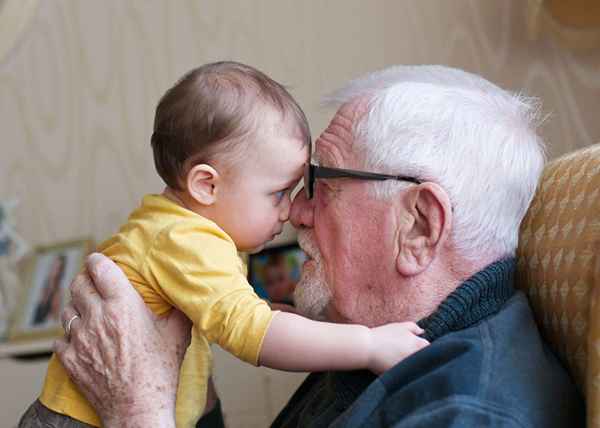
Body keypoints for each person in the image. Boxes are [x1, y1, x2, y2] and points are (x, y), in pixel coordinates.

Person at [51, 65, 584, 427]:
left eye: (320, 185)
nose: (297, 214)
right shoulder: (374, 342)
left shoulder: (465, 410)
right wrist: (178, 381)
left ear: (420, 225)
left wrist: (137, 409)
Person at [20, 62, 428, 428]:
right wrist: (369, 345)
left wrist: (286, 318)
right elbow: (255, 336)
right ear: (206, 184)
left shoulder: (170, 228)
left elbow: (241, 314)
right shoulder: (186, 239)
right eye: (278, 193)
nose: (288, 211)